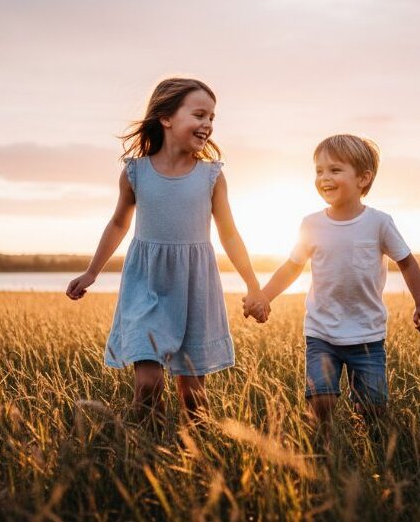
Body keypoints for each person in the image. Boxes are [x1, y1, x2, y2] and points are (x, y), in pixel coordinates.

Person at [67, 77, 269, 424]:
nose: (207, 124)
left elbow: (230, 234)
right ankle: (145, 450)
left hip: (195, 287)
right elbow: (118, 224)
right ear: (166, 118)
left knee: (193, 394)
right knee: (148, 384)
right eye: (199, 114)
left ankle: (191, 458)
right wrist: (91, 272)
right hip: (147, 285)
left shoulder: (211, 176)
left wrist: (253, 285)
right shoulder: (136, 173)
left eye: (212, 118)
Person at [245, 134, 420, 425]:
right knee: (321, 401)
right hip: (321, 332)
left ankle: (366, 449)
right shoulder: (311, 224)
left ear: (363, 178)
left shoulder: (379, 222)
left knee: (372, 411)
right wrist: (264, 296)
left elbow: (407, 262)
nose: (324, 178)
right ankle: (323, 450)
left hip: (367, 334)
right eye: (319, 171)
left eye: (334, 170)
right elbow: (292, 267)